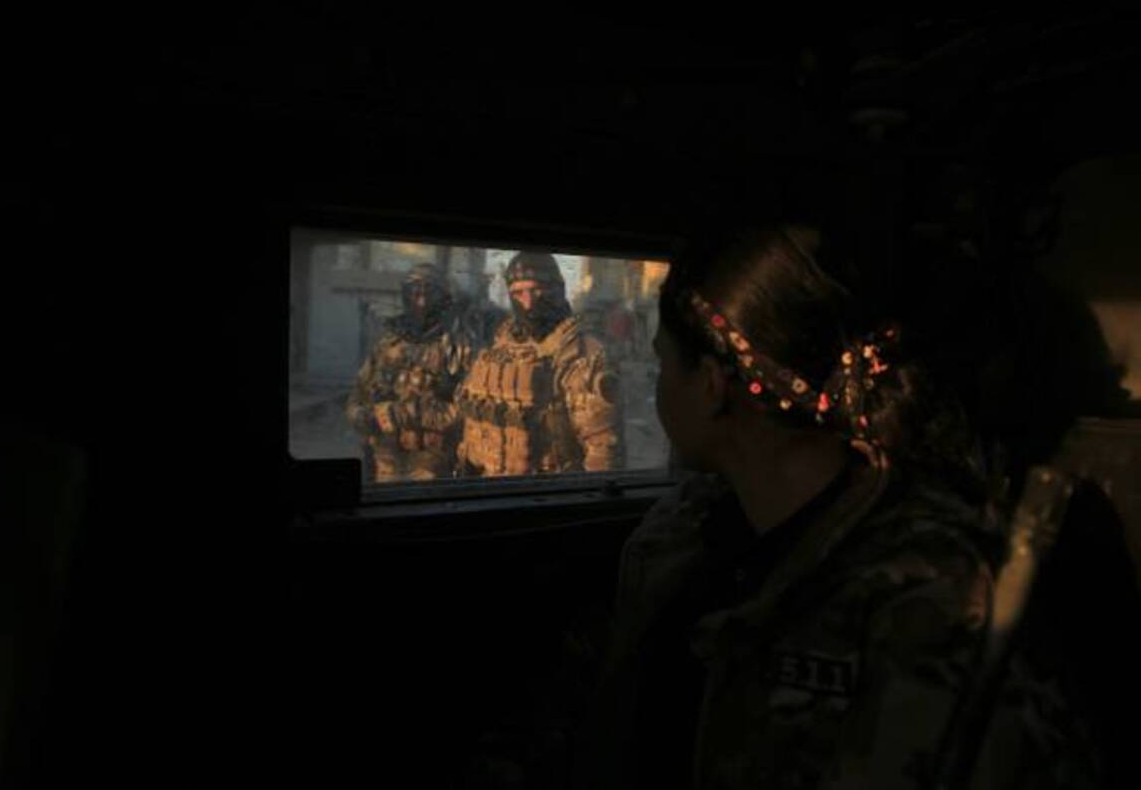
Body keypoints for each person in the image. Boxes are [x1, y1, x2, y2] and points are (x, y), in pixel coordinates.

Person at [579, 225, 1102, 789]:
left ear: (710, 385)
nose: (657, 388)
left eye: (663, 365)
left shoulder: (934, 591)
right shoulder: (685, 534)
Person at [455, 251, 623, 476]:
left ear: (556, 290)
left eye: (536, 290)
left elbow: (603, 451)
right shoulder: (502, 344)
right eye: (518, 293)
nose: (528, 302)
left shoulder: (580, 354)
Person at [344, 263, 476, 482]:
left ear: (442, 299)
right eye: (415, 293)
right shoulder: (387, 344)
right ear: (405, 296)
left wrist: (410, 413)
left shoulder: (458, 346)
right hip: (384, 460)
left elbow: (470, 412)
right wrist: (362, 417)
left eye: (429, 294)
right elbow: (357, 397)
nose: (422, 302)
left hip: (433, 463)